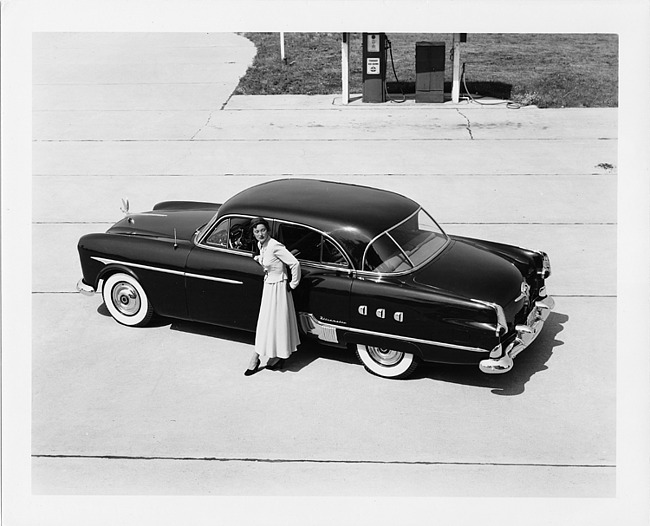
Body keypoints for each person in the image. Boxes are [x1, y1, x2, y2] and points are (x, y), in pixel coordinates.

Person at [244, 217, 301, 376]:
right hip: (268, 287)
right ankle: (278, 356)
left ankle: (255, 358)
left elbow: (294, 263)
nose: (260, 234)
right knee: (269, 323)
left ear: (268, 231)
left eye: (262, 230)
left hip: (279, 289)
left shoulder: (275, 245)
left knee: (271, 323)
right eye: (256, 231)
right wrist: (258, 258)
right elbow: (266, 260)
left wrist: (293, 284)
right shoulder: (260, 245)